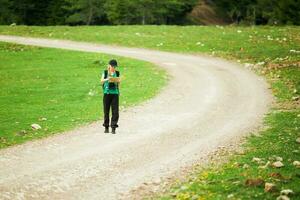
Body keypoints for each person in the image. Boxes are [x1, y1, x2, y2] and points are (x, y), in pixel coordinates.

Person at [101, 59, 121, 134]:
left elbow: (119, 83)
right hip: (107, 93)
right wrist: (107, 79)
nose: (113, 68)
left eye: (115, 66)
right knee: (106, 111)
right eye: (112, 66)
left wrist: (119, 89)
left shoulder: (118, 73)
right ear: (109, 65)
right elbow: (101, 81)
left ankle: (113, 128)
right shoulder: (105, 72)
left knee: (115, 111)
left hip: (115, 93)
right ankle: (106, 127)